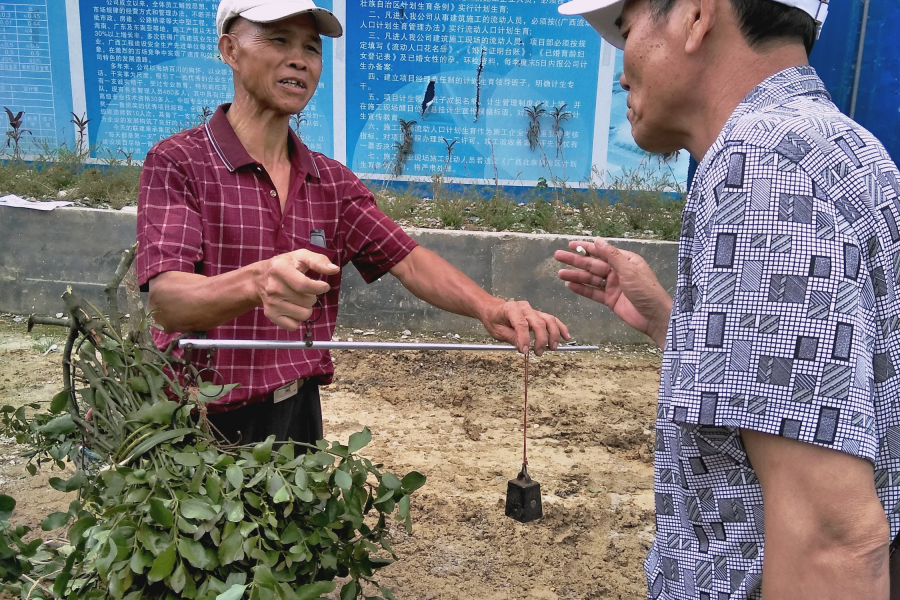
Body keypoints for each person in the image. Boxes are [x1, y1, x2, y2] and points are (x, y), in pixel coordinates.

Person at [555, 0, 900, 597]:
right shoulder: (845, 146)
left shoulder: (763, 163)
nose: (621, 68)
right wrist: (674, 325)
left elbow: (830, 538)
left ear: (694, 16)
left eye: (626, 26)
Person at [136, 0, 570, 447]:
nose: (299, 59)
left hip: (297, 410)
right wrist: (257, 282)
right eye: (279, 40)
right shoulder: (179, 163)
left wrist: (489, 307)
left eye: (311, 47)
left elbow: (410, 261)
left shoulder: (331, 182)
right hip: (199, 419)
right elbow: (166, 302)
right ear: (230, 50)